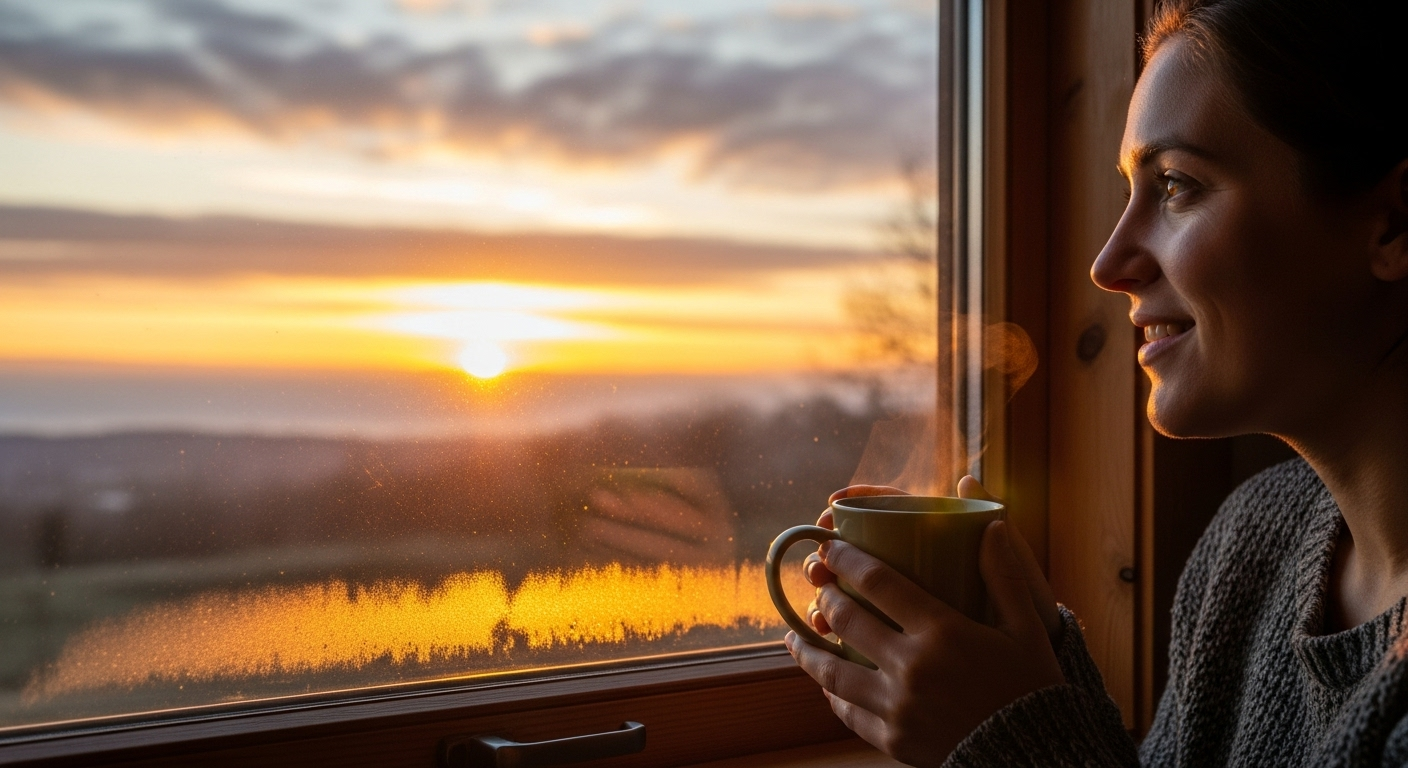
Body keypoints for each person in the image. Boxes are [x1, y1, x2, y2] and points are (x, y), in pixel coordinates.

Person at [784, 0, 1408, 765]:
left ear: (1392, 224)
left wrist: (1015, 740)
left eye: (1176, 185)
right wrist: (1041, 681)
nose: (1108, 265)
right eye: (1127, 191)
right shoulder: (1253, 544)